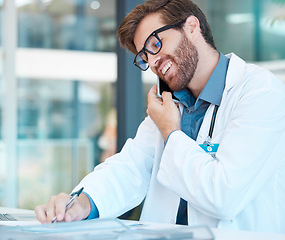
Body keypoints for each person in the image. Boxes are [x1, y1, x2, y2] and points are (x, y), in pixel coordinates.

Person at [35, 0, 285, 234]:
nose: (153, 61)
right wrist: (81, 203)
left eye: (156, 44)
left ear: (191, 27)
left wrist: (170, 131)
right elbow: (131, 166)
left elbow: (224, 196)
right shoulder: (171, 103)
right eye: (145, 57)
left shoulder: (259, 91)